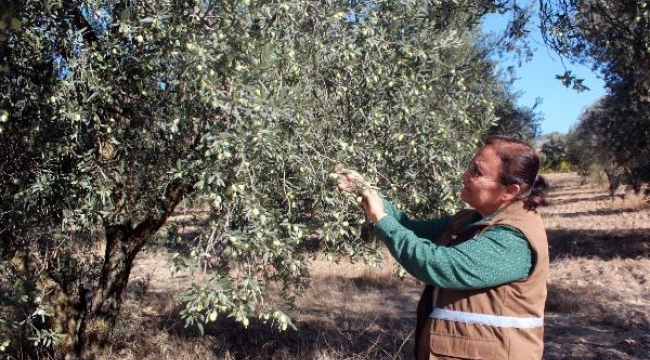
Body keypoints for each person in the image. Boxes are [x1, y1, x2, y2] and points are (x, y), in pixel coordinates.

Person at [336, 135, 550, 360]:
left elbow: (439, 265)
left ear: (510, 191)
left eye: (477, 172)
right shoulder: (471, 220)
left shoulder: (514, 238)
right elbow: (409, 228)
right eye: (469, 167)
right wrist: (365, 191)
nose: (464, 176)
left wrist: (381, 219)